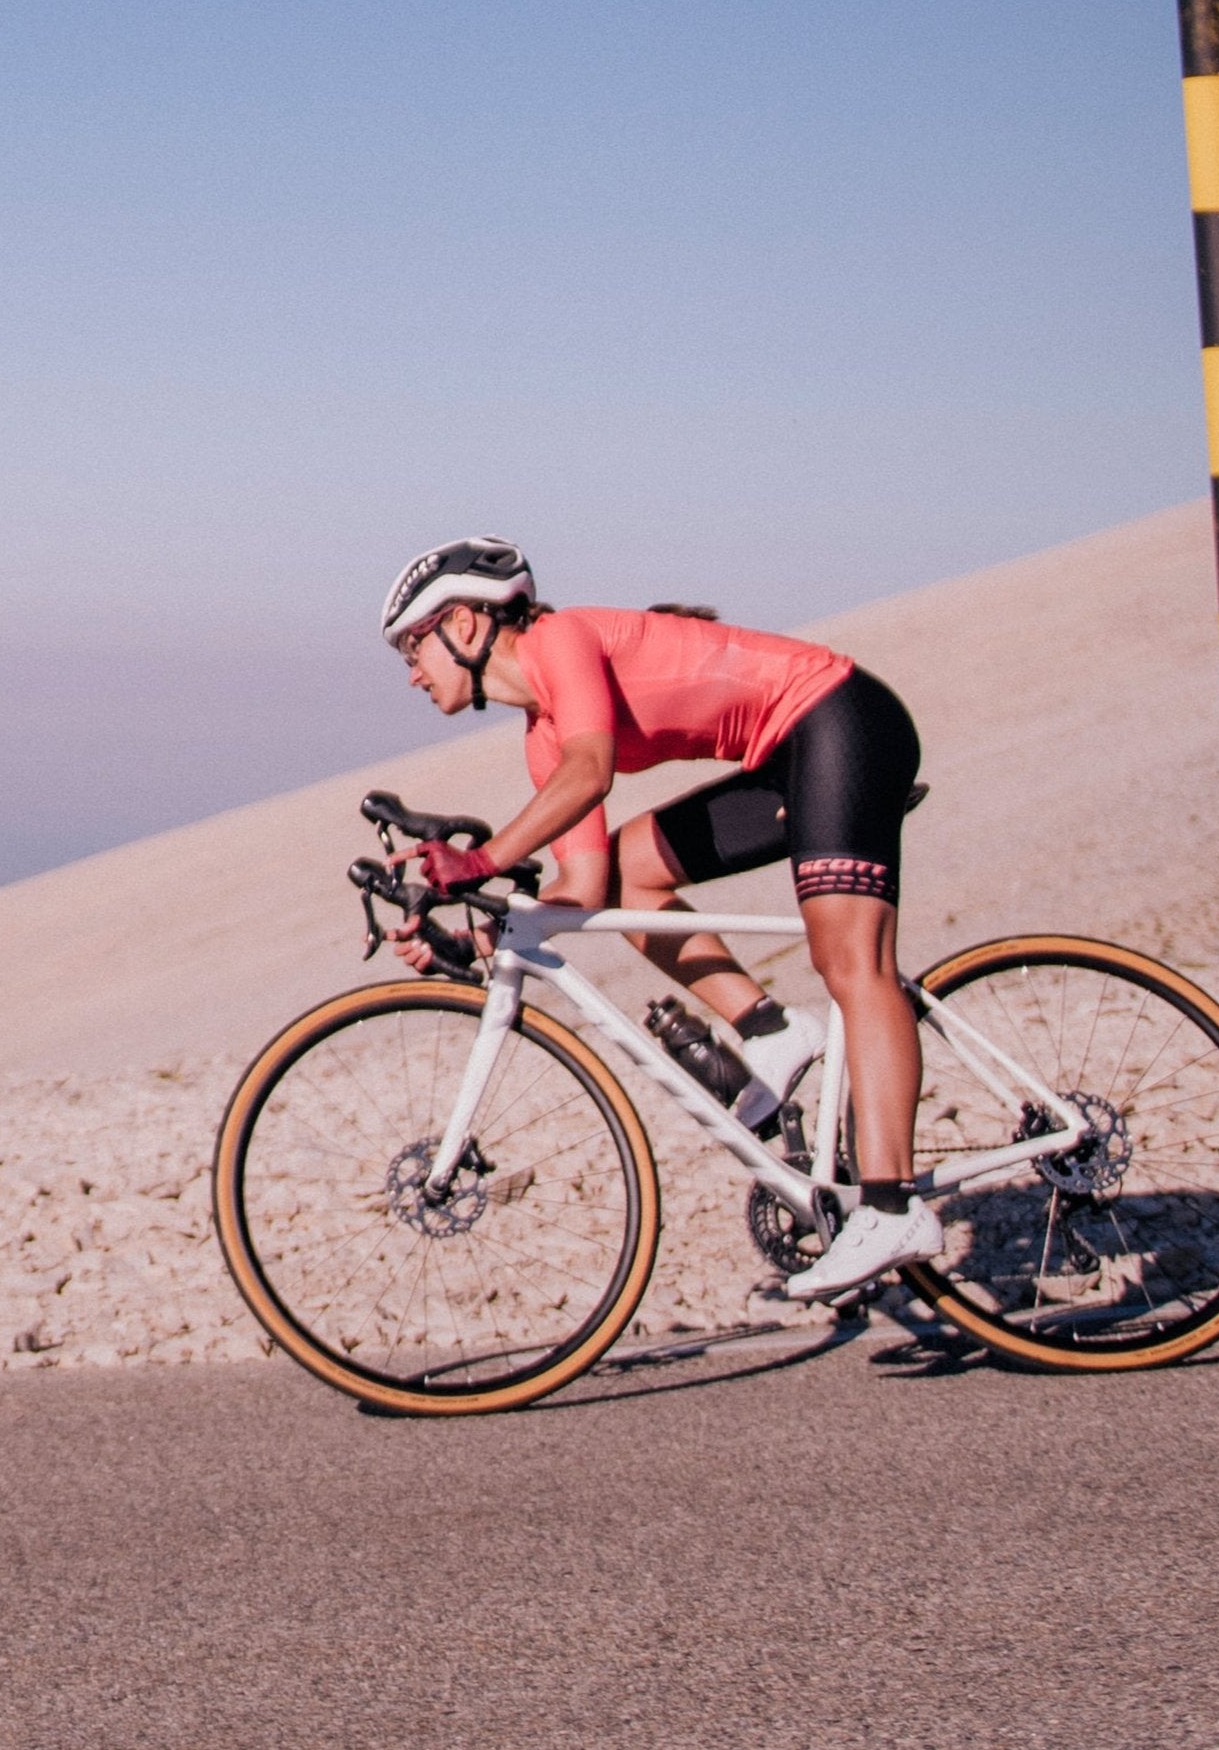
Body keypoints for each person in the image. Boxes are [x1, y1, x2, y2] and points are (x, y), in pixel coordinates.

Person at [374, 536, 939, 1304]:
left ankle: (891, 1204)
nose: (409, 669)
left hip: (842, 719)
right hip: (786, 755)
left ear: (467, 626)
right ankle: (773, 1030)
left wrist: (484, 859)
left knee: (850, 964)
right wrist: (475, 938)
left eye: (414, 643)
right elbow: (587, 886)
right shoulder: (544, 738)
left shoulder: (559, 639)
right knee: (632, 876)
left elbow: (591, 772)